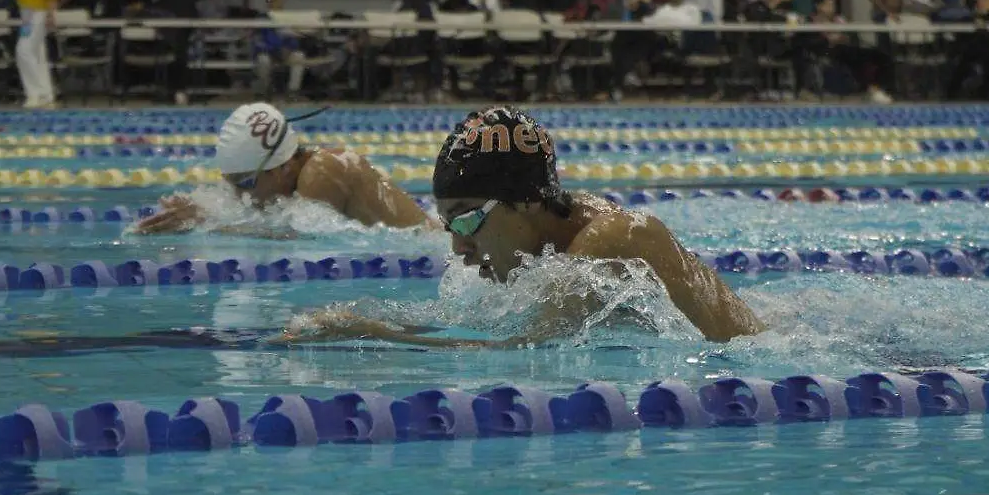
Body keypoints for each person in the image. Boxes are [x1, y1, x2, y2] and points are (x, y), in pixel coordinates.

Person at [286, 107, 764, 347]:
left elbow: (520, 350)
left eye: (467, 219)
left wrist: (375, 333)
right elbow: (497, 325)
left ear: (528, 202)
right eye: (449, 224)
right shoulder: (560, 232)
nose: (459, 247)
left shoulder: (610, 241)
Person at [133, 102, 432, 234]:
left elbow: (302, 239)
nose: (240, 195)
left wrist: (206, 223)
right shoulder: (297, 179)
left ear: (283, 168)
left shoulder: (324, 171)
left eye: (246, 183)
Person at [147, 0, 209, 105]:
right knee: (182, 52)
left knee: (168, 52)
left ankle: (169, 89)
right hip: (188, 16)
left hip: (166, 17)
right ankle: (181, 90)